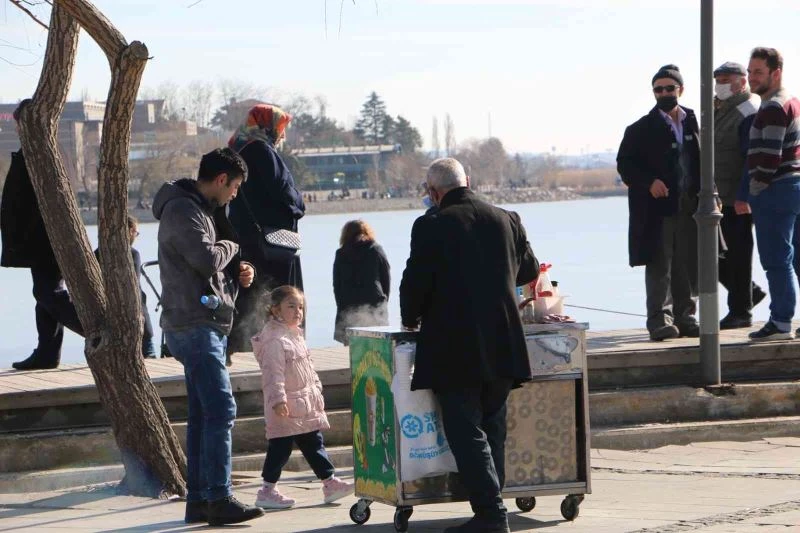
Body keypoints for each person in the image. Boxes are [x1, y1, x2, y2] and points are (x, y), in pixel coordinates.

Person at [399, 158, 539, 533]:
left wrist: (409, 315)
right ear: (469, 182)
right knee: (492, 426)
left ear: (433, 192)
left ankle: (491, 515)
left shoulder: (431, 224)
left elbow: (416, 280)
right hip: (505, 341)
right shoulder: (506, 218)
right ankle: (491, 509)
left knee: (466, 431)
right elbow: (528, 271)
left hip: (455, 345)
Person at [153, 147, 263, 526]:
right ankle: (218, 496)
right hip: (194, 324)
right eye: (234, 188)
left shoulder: (197, 210)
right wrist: (234, 246)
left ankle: (200, 499)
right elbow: (205, 258)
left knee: (203, 413)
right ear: (220, 180)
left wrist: (238, 273)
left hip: (201, 321)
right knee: (221, 408)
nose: (234, 195)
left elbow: (205, 267)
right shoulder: (184, 210)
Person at [617, 64, 701, 342]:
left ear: (681, 89)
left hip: (691, 205)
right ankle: (659, 320)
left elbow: (703, 160)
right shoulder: (640, 128)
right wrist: (649, 182)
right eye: (658, 89)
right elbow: (625, 165)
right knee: (660, 265)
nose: (664, 93)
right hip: (658, 209)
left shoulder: (692, 121)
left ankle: (686, 316)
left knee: (686, 263)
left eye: (669, 88)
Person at [251, 285, 354, 509]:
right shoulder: (275, 341)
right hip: (287, 406)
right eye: (292, 306)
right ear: (275, 310)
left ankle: (329, 482)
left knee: (314, 443)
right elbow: (273, 375)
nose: (298, 312)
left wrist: (316, 387)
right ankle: (267, 491)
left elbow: (308, 367)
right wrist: (278, 401)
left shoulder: (294, 336)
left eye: (301, 307)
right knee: (280, 449)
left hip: (304, 404)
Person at [1, 99, 84, 370]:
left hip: (46, 239)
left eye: (19, 123)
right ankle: (47, 352)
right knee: (45, 293)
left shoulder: (42, 154)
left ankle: (95, 331)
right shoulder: (40, 151)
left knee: (47, 291)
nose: (16, 129)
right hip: (41, 239)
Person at [227, 104, 306, 360]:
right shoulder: (261, 151)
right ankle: (277, 354)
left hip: (249, 241)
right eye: (281, 128)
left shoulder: (239, 150)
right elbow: (283, 193)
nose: (282, 135)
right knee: (278, 300)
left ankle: (252, 351)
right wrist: (299, 201)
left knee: (253, 302)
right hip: (272, 247)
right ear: (267, 126)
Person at [744, 48, 800, 341]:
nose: (751, 77)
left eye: (758, 72)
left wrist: (756, 188)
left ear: (775, 73)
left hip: (776, 190)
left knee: (776, 260)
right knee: (796, 257)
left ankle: (780, 322)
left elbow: (769, 157)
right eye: (750, 71)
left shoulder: (773, 107)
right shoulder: (792, 101)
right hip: (794, 187)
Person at [712, 61, 767, 329]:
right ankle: (748, 294)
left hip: (738, 198)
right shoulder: (716, 108)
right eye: (717, 79)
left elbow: (750, 159)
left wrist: (745, 195)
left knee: (738, 255)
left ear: (741, 82)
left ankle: (740, 312)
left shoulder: (748, 111)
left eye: (725, 79)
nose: (719, 84)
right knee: (709, 255)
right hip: (715, 198)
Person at [332, 220, 390, 346]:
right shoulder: (375, 249)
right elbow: (386, 279)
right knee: (378, 343)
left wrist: (341, 305)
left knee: (354, 346)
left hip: (349, 304)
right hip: (374, 302)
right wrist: (384, 301)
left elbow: (337, 285)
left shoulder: (341, 253)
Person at [126, 215, 157, 357]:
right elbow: (134, 285)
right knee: (150, 360)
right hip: (139, 322)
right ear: (131, 231)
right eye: (136, 233)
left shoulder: (97, 253)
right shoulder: (132, 254)